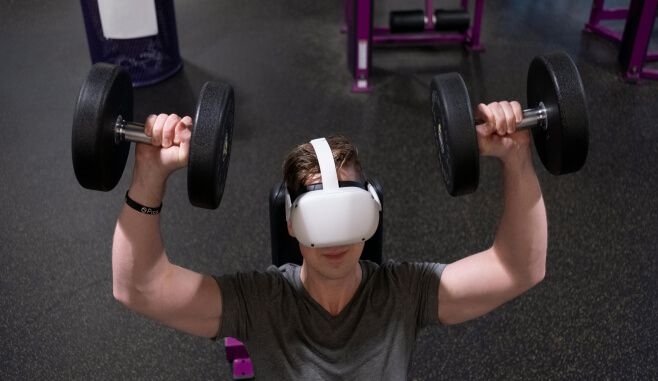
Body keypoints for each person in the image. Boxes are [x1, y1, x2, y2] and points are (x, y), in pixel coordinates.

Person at [112, 101, 547, 379]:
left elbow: (518, 268)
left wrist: (517, 158)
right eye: (319, 214)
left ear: (371, 211)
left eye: (346, 211)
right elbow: (139, 287)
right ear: (292, 222)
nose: (333, 238)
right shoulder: (261, 302)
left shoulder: (404, 293)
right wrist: (149, 176)